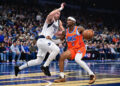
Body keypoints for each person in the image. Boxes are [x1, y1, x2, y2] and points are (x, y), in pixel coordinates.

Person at [14, 3, 65, 76]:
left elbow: (59, 32)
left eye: (59, 13)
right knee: (57, 49)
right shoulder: (50, 19)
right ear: (54, 14)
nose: (58, 14)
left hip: (46, 41)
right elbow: (49, 15)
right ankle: (45, 66)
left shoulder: (59, 22)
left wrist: (64, 34)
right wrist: (60, 8)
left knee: (38, 61)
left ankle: (18, 68)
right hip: (42, 39)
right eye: (57, 13)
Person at [54, 17, 96, 84]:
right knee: (61, 57)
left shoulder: (79, 29)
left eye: (69, 20)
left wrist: (89, 34)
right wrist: (51, 40)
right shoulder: (65, 32)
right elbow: (60, 41)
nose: (67, 21)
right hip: (72, 49)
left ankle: (92, 75)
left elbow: (86, 34)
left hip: (80, 48)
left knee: (77, 59)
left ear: (74, 22)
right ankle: (62, 77)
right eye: (67, 20)